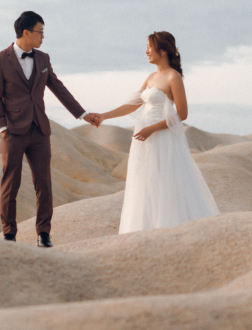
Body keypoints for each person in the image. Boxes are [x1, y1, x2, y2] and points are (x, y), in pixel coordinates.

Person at [0, 10, 100, 247]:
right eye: (40, 32)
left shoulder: (43, 59)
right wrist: (2, 127)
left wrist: (82, 114)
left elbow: (58, 88)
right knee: (11, 183)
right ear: (26, 32)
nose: (43, 37)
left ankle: (43, 233)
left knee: (44, 184)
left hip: (39, 130)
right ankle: (9, 233)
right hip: (13, 131)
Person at [94, 31, 220, 233]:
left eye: (149, 48)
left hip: (163, 137)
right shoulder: (151, 77)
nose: (146, 52)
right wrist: (103, 116)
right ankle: (144, 230)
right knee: (144, 181)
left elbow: (182, 114)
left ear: (162, 51)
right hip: (144, 137)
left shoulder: (173, 77)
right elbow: (132, 105)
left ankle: (169, 229)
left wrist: (153, 128)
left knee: (165, 181)